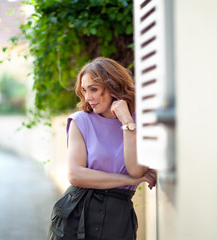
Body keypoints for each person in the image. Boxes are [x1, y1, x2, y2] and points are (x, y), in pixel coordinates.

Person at [48, 57, 156, 240]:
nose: (88, 97)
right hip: (77, 214)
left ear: (114, 87)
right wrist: (128, 179)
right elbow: (76, 175)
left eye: (94, 89)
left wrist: (127, 122)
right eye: (84, 90)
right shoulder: (81, 121)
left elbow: (136, 169)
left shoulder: (139, 122)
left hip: (118, 219)